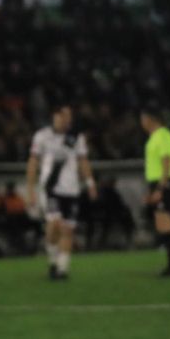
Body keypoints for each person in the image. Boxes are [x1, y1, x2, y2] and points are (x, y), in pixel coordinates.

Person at [26, 103, 96, 281]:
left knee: (68, 229)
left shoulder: (76, 137)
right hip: (51, 188)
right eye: (64, 116)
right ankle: (52, 260)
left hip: (71, 189)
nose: (67, 120)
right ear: (55, 116)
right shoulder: (42, 136)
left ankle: (62, 268)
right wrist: (30, 189)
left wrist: (90, 183)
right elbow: (33, 162)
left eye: (69, 116)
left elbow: (83, 160)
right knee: (54, 225)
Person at [139, 109, 170, 277]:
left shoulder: (163, 135)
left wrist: (160, 188)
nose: (142, 123)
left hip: (164, 182)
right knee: (161, 222)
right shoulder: (155, 137)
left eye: (143, 119)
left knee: (165, 222)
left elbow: (166, 162)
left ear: (150, 119)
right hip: (157, 182)